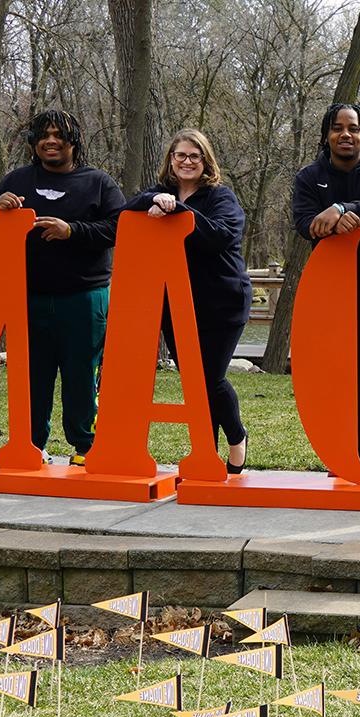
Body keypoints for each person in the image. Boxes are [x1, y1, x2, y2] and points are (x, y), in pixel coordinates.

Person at [0, 109, 124, 466]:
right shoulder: (17, 180)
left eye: (59, 134)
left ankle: (86, 449)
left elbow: (121, 227)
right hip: (27, 298)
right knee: (32, 378)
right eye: (43, 135)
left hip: (85, 297)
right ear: (34, 143)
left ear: (74, 141)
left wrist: (72, 231)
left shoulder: (98, 182)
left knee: (81, 376)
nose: (50, 140)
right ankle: (31, 447)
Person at [124, 130, 249, 471]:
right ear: (170, 160)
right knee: (194, 384)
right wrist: (157, 201)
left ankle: (236, 437)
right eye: (180, 155)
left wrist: (176, 209)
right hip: (177, 305)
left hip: (223, 302)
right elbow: (126, 208)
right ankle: (205, 458)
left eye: (195, 156)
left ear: (205, 161)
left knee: (208, 379)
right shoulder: (159, 194)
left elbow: (219, 236)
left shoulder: (221, 197)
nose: (187, 162)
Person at [291, 103, 360, 467]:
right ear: (326, 136)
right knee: (331, 379)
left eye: (353, 128)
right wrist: (327, 221)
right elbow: (304, 221)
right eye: (337, 128)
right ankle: (337, 458)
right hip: (327, 294)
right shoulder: (309, 177)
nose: (345, 134)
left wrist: (341, 208)